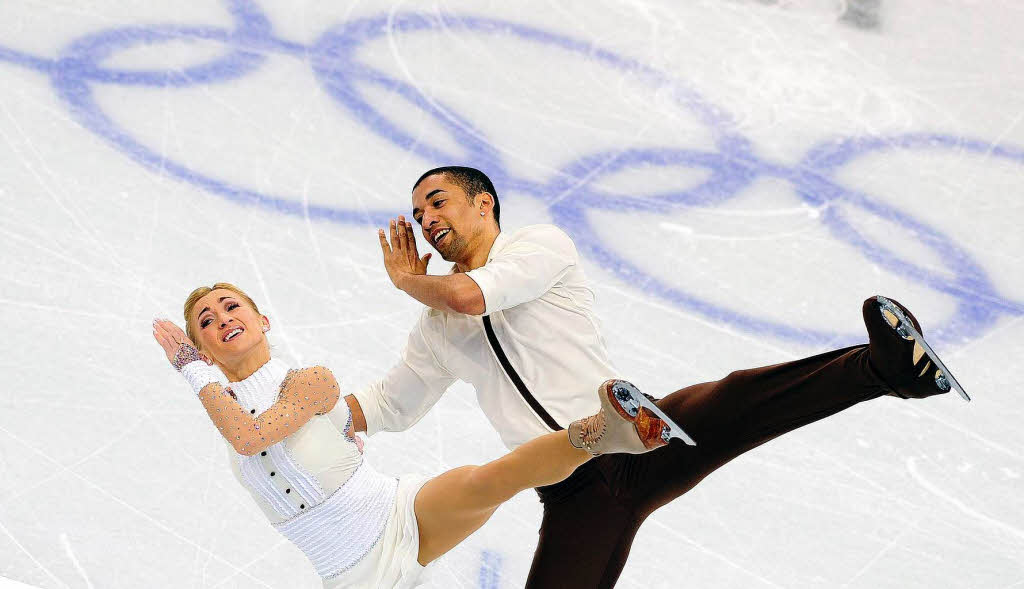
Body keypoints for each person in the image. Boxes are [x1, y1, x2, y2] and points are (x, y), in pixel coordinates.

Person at [345, 165, 966, 588]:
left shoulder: (539, 247)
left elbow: (472, 297)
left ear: (484, 204)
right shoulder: (436, 328)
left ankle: (886, 368)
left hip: (632, 435)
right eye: (417, 212)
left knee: (740, 396)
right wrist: (310, 419)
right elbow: (392, 403)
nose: (424, 219)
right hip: (570, 488)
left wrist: (406, 281)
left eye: (436, 201)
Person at [150, 283, 669, 588]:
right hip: (347, 577)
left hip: (393, 516)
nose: (222, 318)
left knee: (487, 481)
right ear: (207, 347)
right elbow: (251, 428)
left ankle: (604, 433)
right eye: (206, 321)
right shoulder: (226, 408)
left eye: (230, 306)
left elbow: (251, 437)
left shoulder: (309, 381)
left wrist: (194, 370)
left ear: (261, 319)